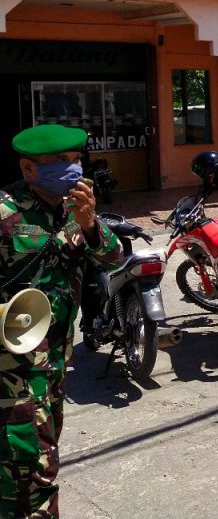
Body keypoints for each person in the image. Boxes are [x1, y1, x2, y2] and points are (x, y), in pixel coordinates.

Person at [1, 124, 122, 519]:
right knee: (29, 471)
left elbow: (114, 260)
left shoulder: (74, 210)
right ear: (29, 168)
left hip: (53, 364)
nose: (73, 170)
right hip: (11, 369)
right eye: (61, 162)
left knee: (40, 456)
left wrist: (90, 225)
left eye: (76, 160)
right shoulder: (5, 214)